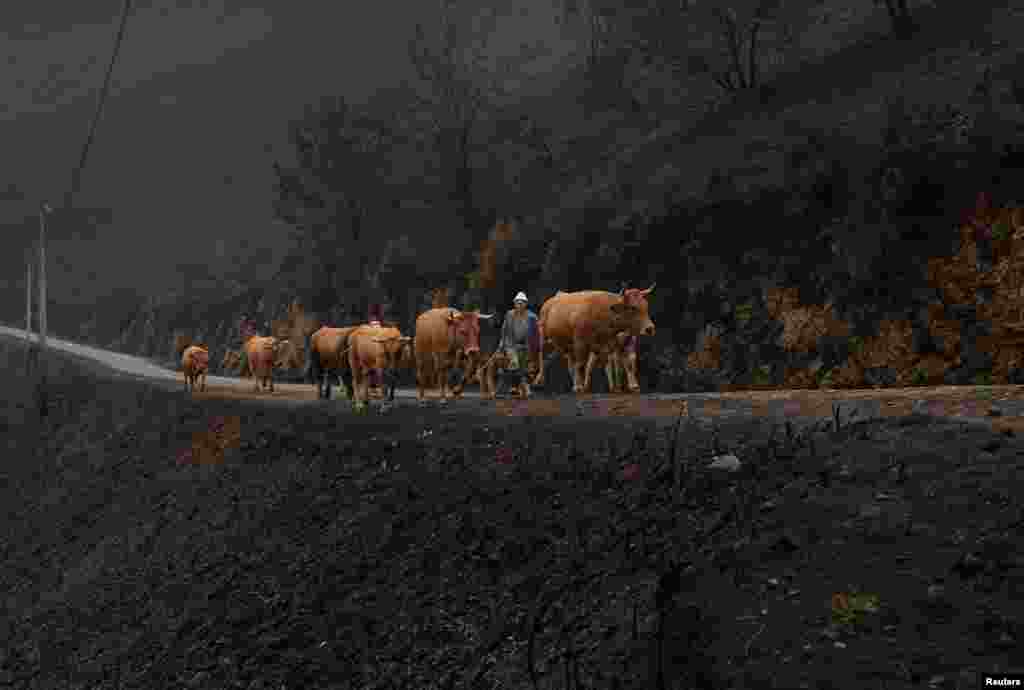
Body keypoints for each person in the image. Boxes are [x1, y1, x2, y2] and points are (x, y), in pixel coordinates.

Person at [497, 292, 539, 398]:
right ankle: (514, 387)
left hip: (526, 345)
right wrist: (501, 345)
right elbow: (504, 330)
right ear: (514, 304)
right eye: (517, 303)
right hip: (511, 344)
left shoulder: (532, 317)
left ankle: (518, 388)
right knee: (514, 362)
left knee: (523, 368)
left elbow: (537, 332)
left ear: (526, 304)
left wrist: (537, 346)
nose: (520, 305)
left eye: (522, 303)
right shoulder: (509, 314)